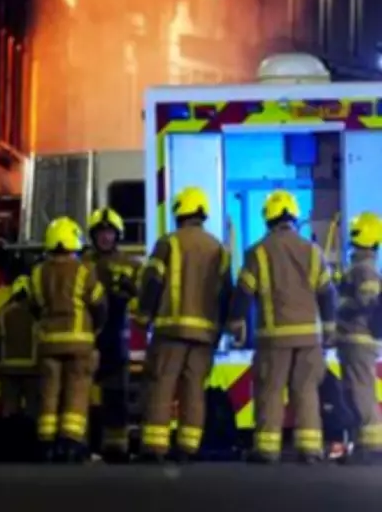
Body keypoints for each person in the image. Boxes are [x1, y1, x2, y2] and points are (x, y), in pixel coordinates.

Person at [226, 189, 337, 464]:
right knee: (307, 392)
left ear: (268, 218)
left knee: (270, 392)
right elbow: (327, 293)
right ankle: (310, 449)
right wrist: (330, 328)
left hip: (273, 340)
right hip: (310, 339)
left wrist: (235, 323)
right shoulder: (313, 252)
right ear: (293, 216)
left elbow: (244, 292)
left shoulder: (259, 252)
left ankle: (267, 449)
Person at [136, 186, 232, 462]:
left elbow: (152, 281)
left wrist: (144, 316)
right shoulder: (219, 248)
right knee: (194, 389)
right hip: (204, 333)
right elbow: (227, 291)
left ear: (179, 213)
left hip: (171, 330)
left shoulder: (169, 243)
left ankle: (155, 447)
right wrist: (222, 327)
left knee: (162, 385)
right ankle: (188, 447)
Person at [31, 216, 107, 463]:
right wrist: (96, 328)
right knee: (77, 390)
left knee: (49, 392)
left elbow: (34, 306)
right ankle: (70, 443)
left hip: (48, 342)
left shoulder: (38, 272)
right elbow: (99, 304)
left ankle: (47, 443)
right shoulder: (84, 271)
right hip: (79, 343)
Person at [85, 206, 140, 462]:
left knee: (117, 394)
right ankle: (91, 444)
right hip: (90, 338)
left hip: (119, 338)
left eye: (109, 232)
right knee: (88, 396)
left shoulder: (131, 264)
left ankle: (117, 448)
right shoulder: (83, 264)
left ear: (118, 235)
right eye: (100, 233)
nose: (105, 237)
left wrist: (133, 291)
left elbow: (145, 296)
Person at [336, 211, 382, 462]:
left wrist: (342, 305)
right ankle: (362, 445)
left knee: (361, 393)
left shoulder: (364, 270)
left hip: (358, 338)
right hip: (354, 340)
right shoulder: (360, 267)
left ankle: (373, 447)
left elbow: (367, 299)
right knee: (354, 392)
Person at [0, 272, 41, 461]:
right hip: (32, 370)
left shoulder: (4, 313)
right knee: (32, 409)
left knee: (9, 408)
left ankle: (8, 447)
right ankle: (31, 448)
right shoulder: (35, 316)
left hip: (8, 369)